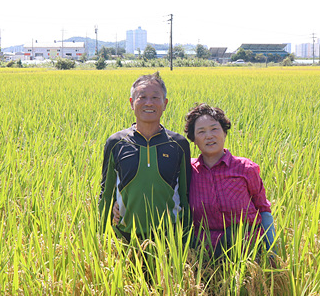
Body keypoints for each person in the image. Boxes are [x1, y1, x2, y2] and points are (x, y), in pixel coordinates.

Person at [99, 72, 192, 240]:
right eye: (142, 97)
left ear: (165, 104)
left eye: (155, 98)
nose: (149, 103)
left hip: (168, 237)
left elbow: (186, 196)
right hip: (125, 237)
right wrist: (101, 237)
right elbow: (106, 193)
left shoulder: (179, 144)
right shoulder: (116, 142)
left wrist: (186, 241)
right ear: (131, 103)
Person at [184, 103, 276, 258]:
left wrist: (272, 252)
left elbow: (263, 209)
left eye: (214, 129)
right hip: (206, 255)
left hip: (248, 251)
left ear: (224, 133)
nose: (209, 136)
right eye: (201, 132)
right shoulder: (189, 171)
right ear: (193, 140)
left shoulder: (246, 169)